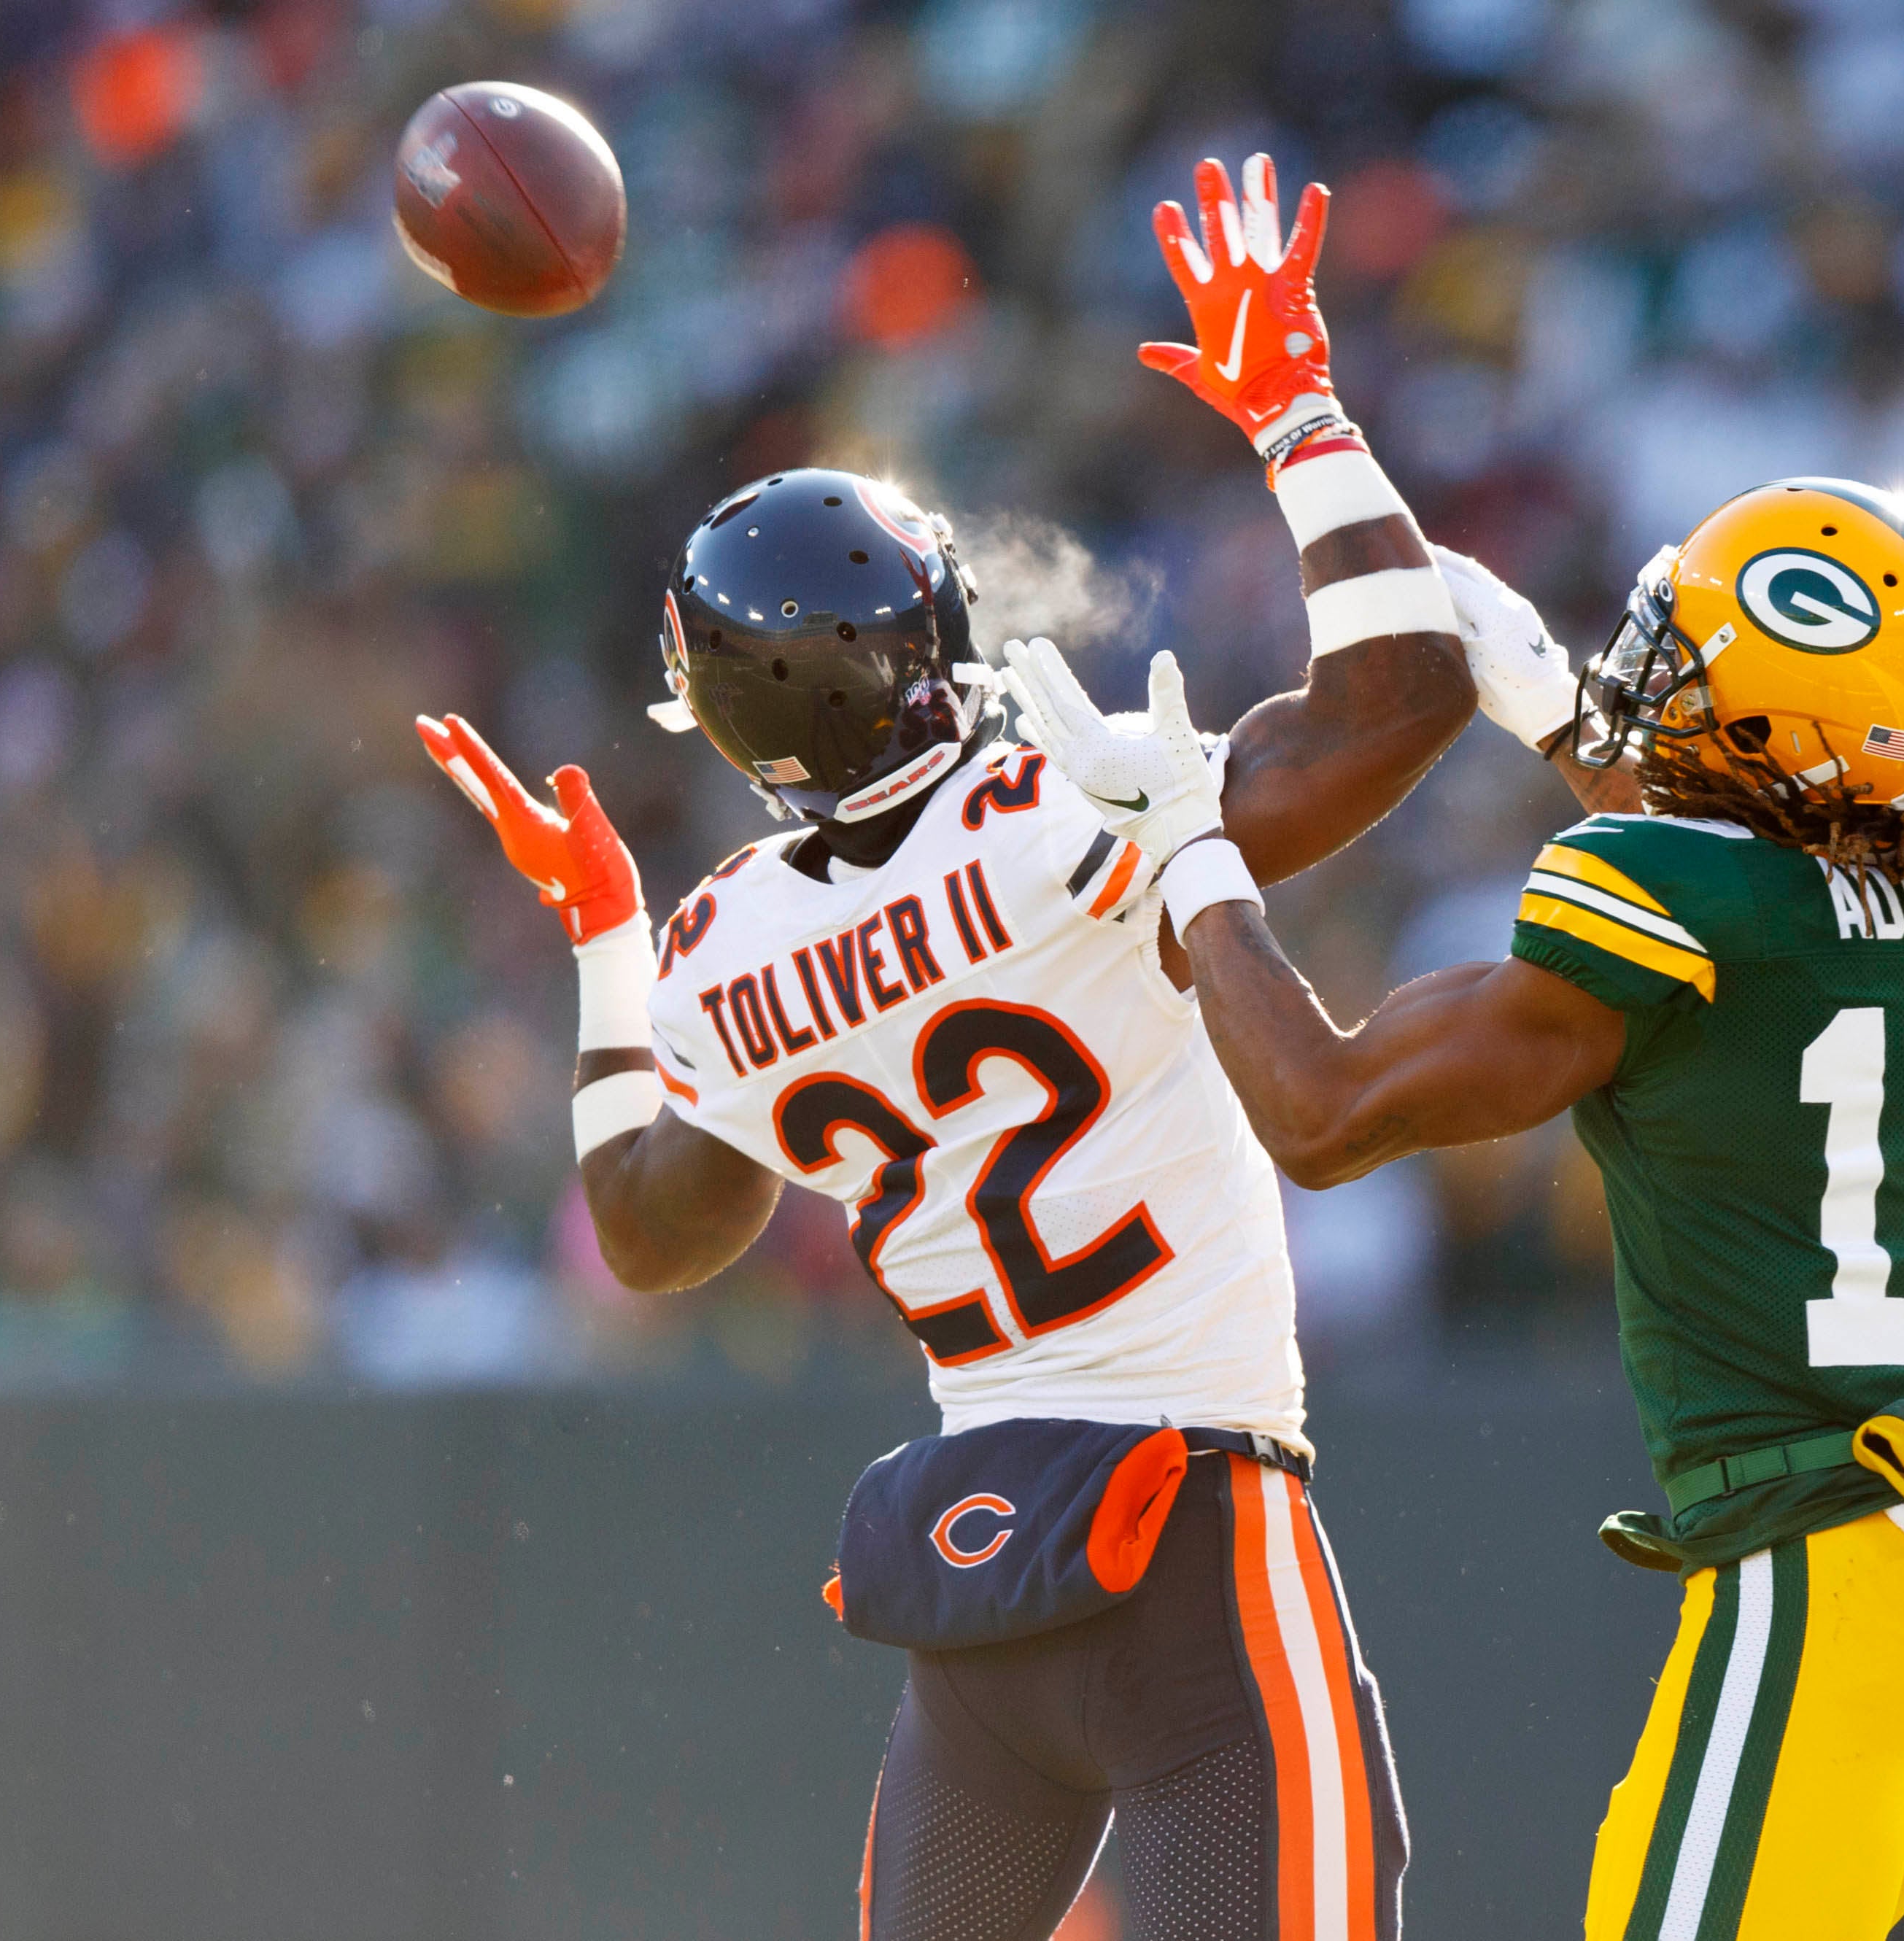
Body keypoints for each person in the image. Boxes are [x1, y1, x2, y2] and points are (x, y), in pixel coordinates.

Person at [416, 157, 1495, 1941]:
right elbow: (1407, 699)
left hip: (978, 1598)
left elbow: (649, 1228)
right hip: (1195, 1544)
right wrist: (1297, 407)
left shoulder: (725, 942)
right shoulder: (1058, 805)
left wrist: (607, 945)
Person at [997, 479, 1904, 1939]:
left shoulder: (1673, 898)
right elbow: (1787, 913)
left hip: (1831, 1562)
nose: (1653, 686)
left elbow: (1323, 1112)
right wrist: (1565, 732)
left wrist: (1191, 853)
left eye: (1701, 680)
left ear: (1799, 731)